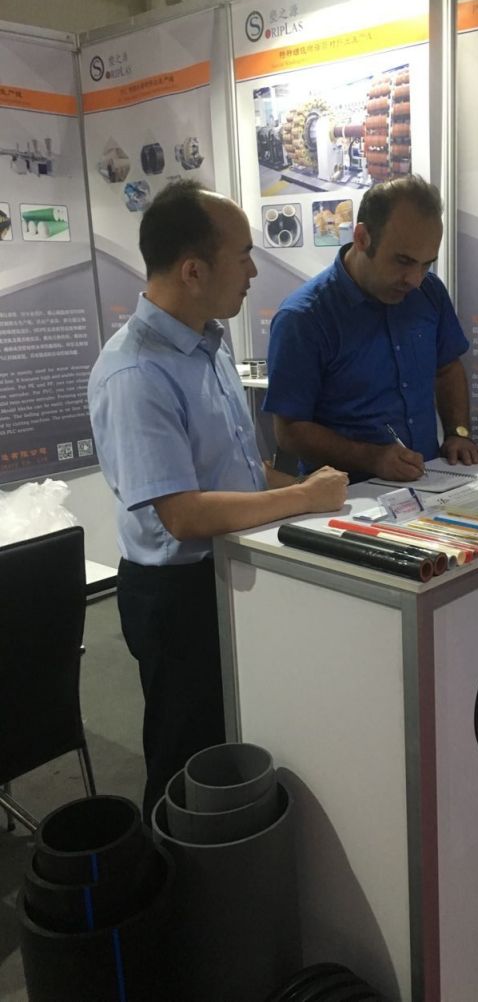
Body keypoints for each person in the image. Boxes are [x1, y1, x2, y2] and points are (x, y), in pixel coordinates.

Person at [88, 180, 348, 821]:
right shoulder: (136, 372)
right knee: (184, 758)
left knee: (234, 741)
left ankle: (229, 863)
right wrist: (304, 497)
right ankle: (169, 874)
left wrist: (313, 492)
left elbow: (241, 471)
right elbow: (183, 514)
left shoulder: (209, 343)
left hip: (229, 573)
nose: (254, 272)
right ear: (194, 270)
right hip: (176, 597)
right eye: (243, 256)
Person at [263, 175, 478, 483]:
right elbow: (290, 431)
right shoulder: (304, 317)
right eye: (403, 261)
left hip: (429, 482)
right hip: (348, 495)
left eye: (426, 264)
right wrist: (371, 457)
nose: (415, 279)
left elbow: (447, 368)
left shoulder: (428, 292)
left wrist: (458, 433)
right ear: (362, 238)